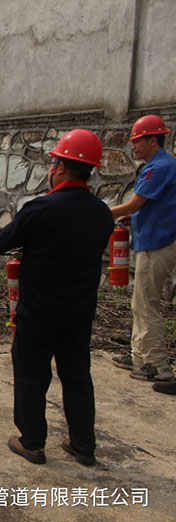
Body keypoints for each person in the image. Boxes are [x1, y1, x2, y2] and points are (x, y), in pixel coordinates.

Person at [0, 129, 114, 466]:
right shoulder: (102, 213)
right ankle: (83, 445)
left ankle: (32, 442)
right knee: (76, 376)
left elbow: (2, 240)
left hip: (40, 311)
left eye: (54, 161)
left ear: (58, 166)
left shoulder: (41, 209)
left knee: (32, 374)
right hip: (79, 312)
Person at [108, 115, 176, 388]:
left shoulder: (160, 167)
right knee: (140, 302)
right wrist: (130, 219)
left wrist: (96, 212)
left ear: (152, 140)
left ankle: (157, 365)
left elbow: (135, 204)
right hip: (151, 241)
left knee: (148, 304)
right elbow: (146, 207)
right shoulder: (158, 165)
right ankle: (139, 355)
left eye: (137, 141)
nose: (133, 147)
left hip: (158, 244)